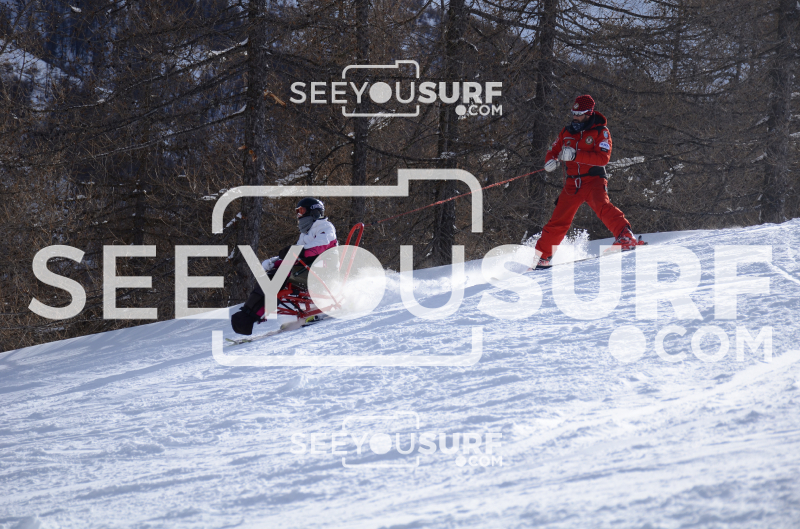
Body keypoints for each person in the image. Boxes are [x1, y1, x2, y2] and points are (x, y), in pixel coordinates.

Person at [534, 94, 641, 269]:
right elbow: (553, 150)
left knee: (602, 206)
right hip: (572, 185)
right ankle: (541, 257)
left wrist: (575, 155)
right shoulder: (566, 132)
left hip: (593, 179)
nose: (575, 117)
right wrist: (550, 161)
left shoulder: (601, 132)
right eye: (574, 113)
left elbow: (603, 158)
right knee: (558, 220)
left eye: (580, 114)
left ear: (589, 113)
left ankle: (625, 236)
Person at [230, 197, 338, 335]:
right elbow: (294, 256)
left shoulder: (325, 227)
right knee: (271, 276)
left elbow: (320, 246)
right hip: (306, 270)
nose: (299, 215)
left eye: (301, 211)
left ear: (314, 211)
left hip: (323, 270)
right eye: (297, 212)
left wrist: (297, 252)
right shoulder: (305, 234)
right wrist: (275, 261)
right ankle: (249, 315)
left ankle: (248, 316)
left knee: (277, 276)